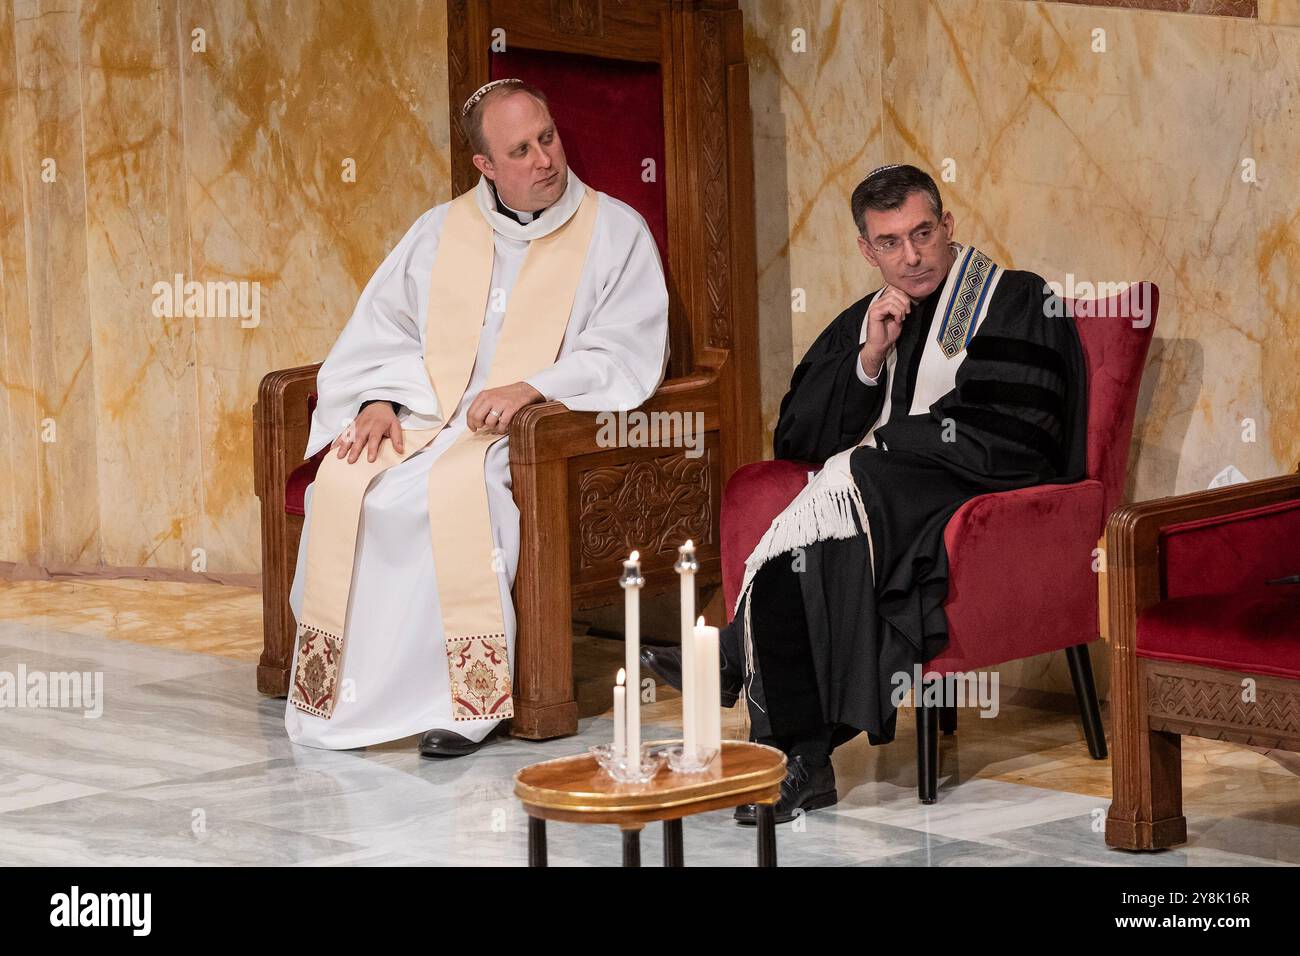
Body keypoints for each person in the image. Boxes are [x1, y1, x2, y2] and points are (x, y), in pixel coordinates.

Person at [644, 164, 1087, 821]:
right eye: (889, 242)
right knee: (826, 542)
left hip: (980, 486)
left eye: (923, 233)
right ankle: (802, 759)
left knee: (851, 487)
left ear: (948, 225)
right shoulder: (868, 316)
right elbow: (798, 436)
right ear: (866, 249)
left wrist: (885, 449)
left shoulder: (1013, 298)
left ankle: (752, 683)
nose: (910, 256)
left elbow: (1019, 427)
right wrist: (869, 359)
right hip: (878, 497)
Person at [285, 78, 669, 757]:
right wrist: (377, 399)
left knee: (460, 498)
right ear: (485, 167)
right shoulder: (441, 231)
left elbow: (627, 350)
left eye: (547, 137)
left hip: (530, 431)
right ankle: (345, 690)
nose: (545, 160)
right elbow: (384, 328)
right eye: (519, 150)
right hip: (427, 416)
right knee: (345, 484)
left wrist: (535, 386)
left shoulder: (615, 232)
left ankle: (467, 704)